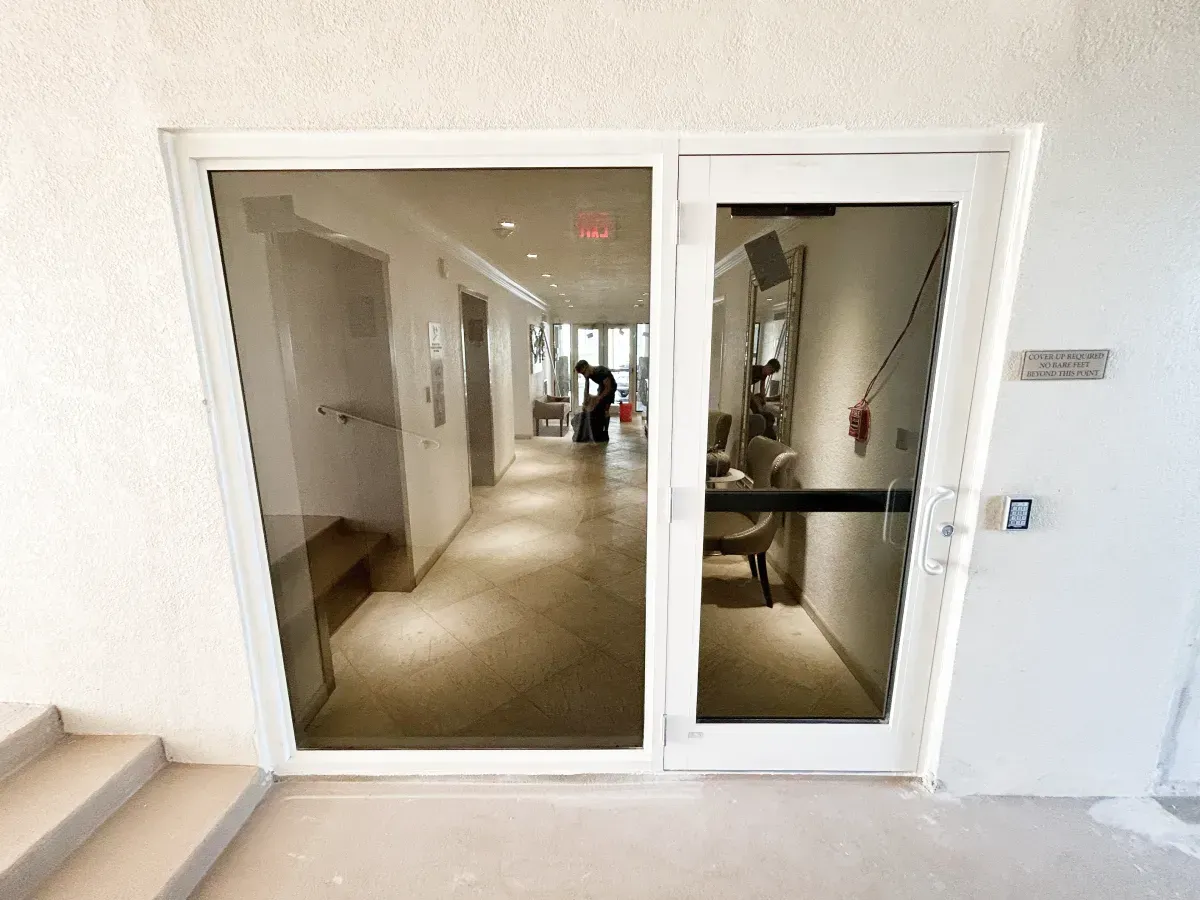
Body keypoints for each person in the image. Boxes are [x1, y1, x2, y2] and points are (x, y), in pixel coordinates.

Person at [575, 359, 616, 443]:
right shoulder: (588, 373)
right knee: (598, 408)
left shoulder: (601, 372)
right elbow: (586, 389)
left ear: (586, 367)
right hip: (602, 386)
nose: (583, 375)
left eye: (583, 373)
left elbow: (608, 388)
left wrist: (599, 398)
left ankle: (605, 432)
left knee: (605, 410)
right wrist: (584, 402)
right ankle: (598, 431)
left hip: (610, 388)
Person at [749, 358, 781, 440]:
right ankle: (759, 415)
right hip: (743, 390)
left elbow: (762, 387)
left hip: (749, 392)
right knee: (756, 402)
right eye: (772, 371)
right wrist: (757, 402)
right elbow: (746, 388)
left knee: (760, 398)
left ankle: (762, 409)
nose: (770, 374)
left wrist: (764, 399)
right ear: (768, 366)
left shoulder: (764, 374)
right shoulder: (755, 370)